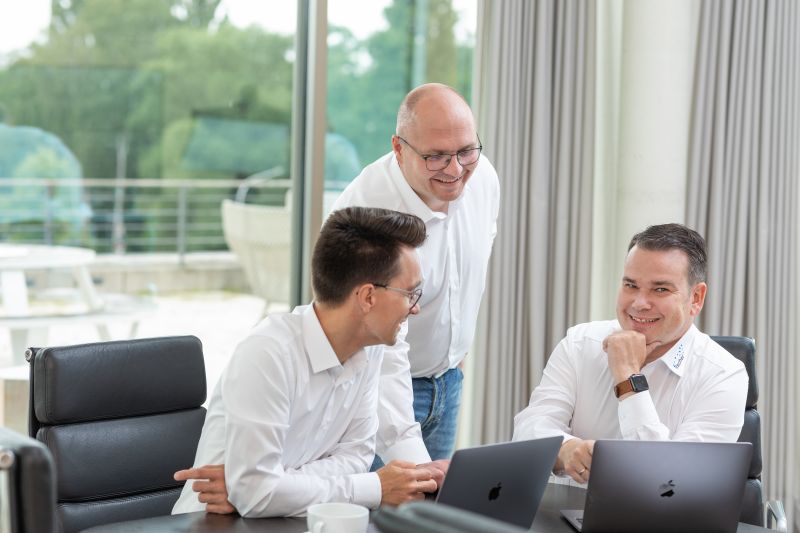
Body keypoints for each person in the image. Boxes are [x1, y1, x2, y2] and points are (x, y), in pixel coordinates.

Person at [172, 207, 439, 517]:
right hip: (213, 524)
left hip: (288, 522)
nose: (415, 308)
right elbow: (259, 494)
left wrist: (267, 487)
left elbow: (356, 457)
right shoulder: (268, 353)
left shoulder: (372, 349)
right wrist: (375, 488)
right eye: (410, 293)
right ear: (367, 297)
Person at [332, 82, 500, 465]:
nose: (456, 169)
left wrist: (455, 359)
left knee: (429, 519)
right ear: (398, 149)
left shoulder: (483, 177)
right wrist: (411, 461)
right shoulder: (368, 216)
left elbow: (471, 275)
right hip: (371, 389)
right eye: (437, 157)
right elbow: (375, 352)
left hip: (448, 381)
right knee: (385, 514)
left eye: (466, 150)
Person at [513, 223, 748, 484]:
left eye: (660, 289)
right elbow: (528, 429)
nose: (639, 303)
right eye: (630, 285)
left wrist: (628, 377)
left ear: (696, 298)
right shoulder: (580, 342)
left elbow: (670, 481)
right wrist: (563, 449)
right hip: (565, 515)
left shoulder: (724, 374)